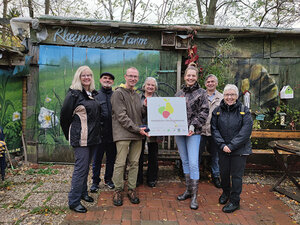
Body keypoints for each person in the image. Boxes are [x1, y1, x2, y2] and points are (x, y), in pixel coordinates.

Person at [60, 65, 102, 213]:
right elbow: (64, 118)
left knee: (86, 167)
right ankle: (74, 200)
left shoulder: (92, 94)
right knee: (80, 168)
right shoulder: (73, 94)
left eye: (89, 75)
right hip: (81, 139)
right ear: (79, 77)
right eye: (83, 75)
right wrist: (71, 136)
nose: (86, 78)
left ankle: (83, 193)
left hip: (93, 138)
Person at [211, 84, 253, 213]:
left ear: (236, 96)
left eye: (232, 94)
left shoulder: (244, 111)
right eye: (227, 95)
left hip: (239, 150)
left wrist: (231, 146)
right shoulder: (217, 111)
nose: (229, 97)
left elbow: (245, 132)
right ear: (223, 96)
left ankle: (235, 201)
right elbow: (214, 129)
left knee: (236, 176)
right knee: (224, 174)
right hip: (223, 149)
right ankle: (225, 193)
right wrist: (223, 145)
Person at [111, 67, 149, 206]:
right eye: (131, 76)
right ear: (125, 76)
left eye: (135, 77)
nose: (133, 79)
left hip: (137, 134)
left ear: (138, 79)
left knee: (134, 163)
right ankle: (118, 190)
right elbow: (121, 117)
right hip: (123, 134)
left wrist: (145, 107)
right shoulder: (118, 94)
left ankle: (131, 189)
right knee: (120, 163)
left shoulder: (137, 95)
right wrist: (137, 128)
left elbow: (139, 114)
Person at [175, 63, 209, 210]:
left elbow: (204, 112)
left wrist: (193, 125)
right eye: (188, 75)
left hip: (193, 132)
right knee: (185, 161)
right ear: (184, 76)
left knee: (194, 163)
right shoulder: (178, 93)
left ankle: (194, 195)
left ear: (196, 77)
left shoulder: (202, 93)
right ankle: (188, 191)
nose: (190, 77)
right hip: (179, 132)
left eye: (193, 75)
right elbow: (171, 111)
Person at [90, 72, 117, 192]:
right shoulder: (95, 95)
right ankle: (95, 182)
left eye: (110, 79)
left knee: (111, 159)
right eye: (105, 78)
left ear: (113, 82)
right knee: (97, 159)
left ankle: (108, 179)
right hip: (99, 135)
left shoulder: (116, 95)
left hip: (113, 134)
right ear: (100, 80)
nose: (107, 80)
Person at [200, 74, 223, 188]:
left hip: (215, 132)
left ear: (216, 83)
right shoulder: (200, 96)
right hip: (201, 131)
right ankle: (195, 176)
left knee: (216, 156)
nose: (210, 83)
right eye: (208, 82)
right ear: (205, 84)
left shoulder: (222, 98)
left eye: (212, 81)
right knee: (197, 154)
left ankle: (215, 176)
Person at [137, 77, 159, 188]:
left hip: (154, 131)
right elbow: (136, 113)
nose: (150, 87)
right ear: (144, 86)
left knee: (153, 155)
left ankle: (151, 178)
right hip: (140, 130)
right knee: (138, 154)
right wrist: (144, 106)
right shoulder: (138, 97)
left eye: (152, 85)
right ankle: (138, 177)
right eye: (148, 84)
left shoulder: (159, 99)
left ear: (155, 88)